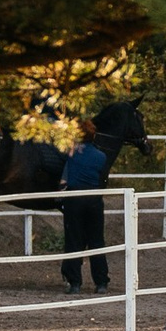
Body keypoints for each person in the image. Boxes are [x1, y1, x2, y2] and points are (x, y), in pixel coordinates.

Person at [59, 113, 114, 296]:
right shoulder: (101, 156)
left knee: (73, 240)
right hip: (94, 200)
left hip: (74, 198)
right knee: (97, 240)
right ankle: (101, 282)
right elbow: (102, 178)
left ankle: (74, 282)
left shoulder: (72, 152)